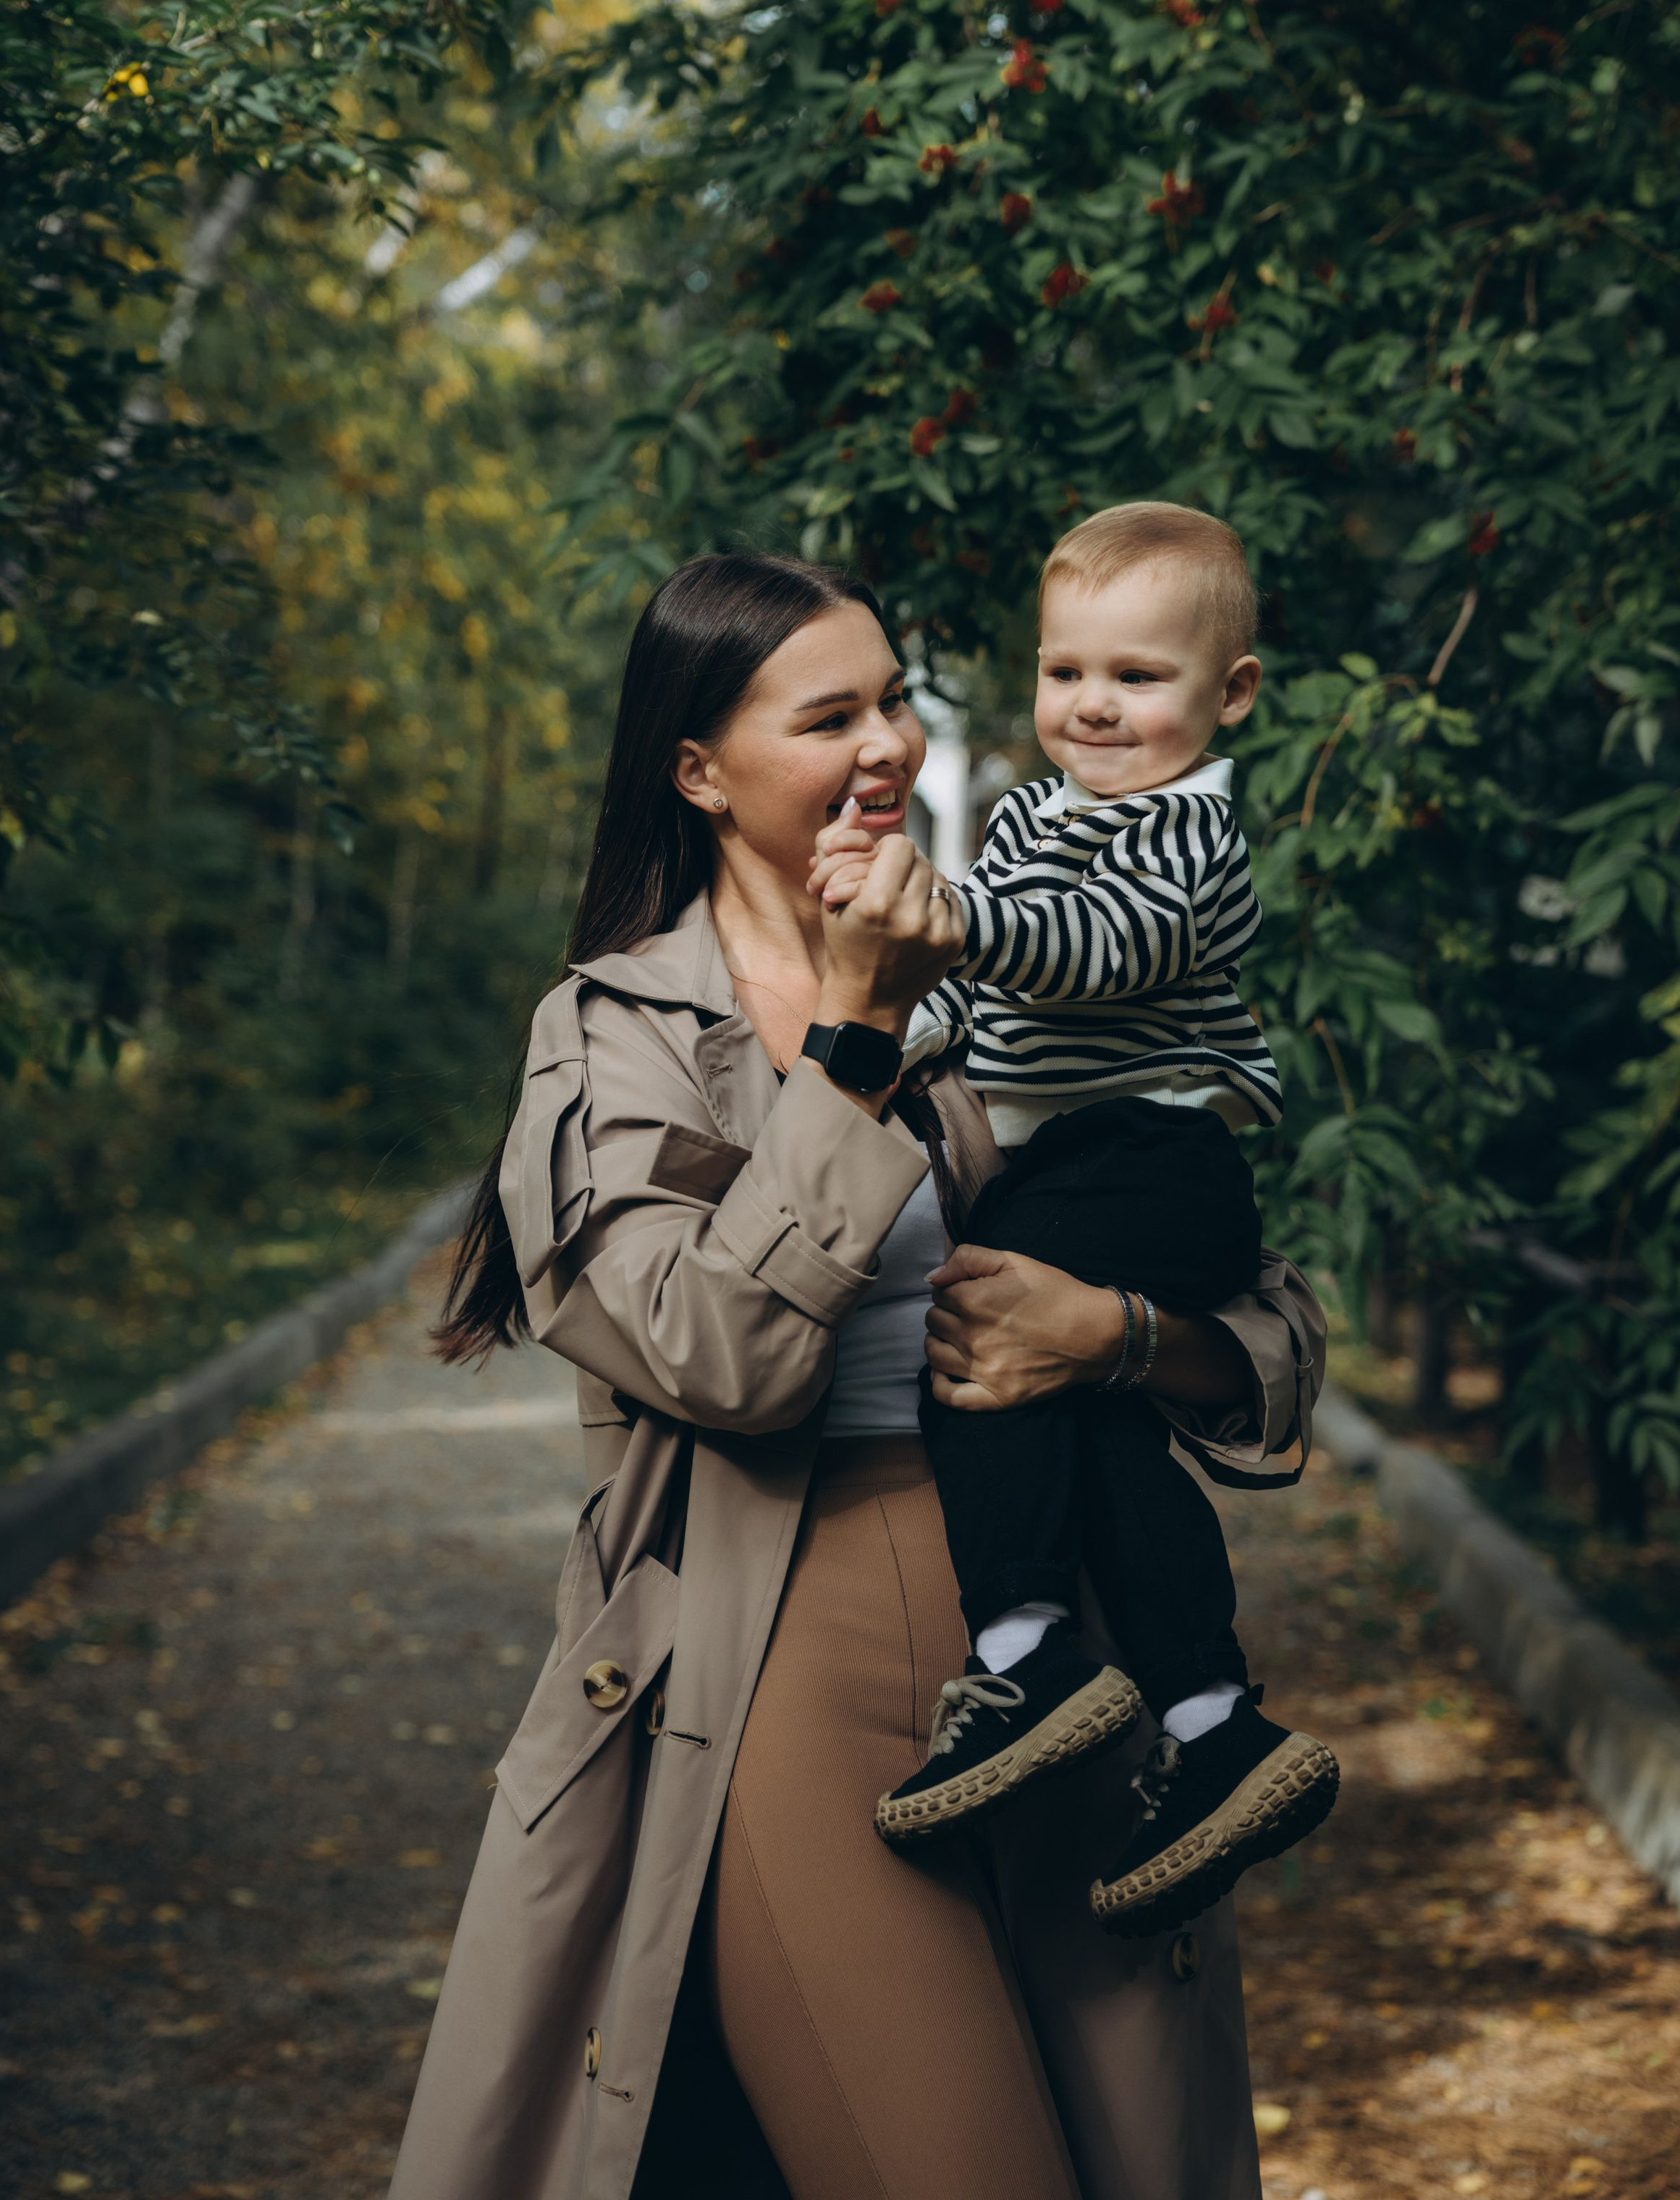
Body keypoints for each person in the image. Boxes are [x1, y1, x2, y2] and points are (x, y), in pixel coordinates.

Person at [386, 548, 1327, 2200]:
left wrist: (1105, 1334)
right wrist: (854, 1036)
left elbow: (1268, 1339)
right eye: (830, 717)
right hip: (784, 1672)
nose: (888, 745)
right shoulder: (612, 1037)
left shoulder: (1012, 967)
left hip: (1064, 1671)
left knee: (1141, 2163)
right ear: (699, 770)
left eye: (895, 697)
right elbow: (719, 1358)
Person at [811, 504, 1338, 1935]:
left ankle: (1025, 1649)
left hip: (1151, 1158)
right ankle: (1214, 1719)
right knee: (1094, 1422)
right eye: (1066, 673)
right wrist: (880, 1010)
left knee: (975, 1351)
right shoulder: (1040, 816)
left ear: (1227, 695)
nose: (1092, 707)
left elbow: (1097, 954)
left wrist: (953, 924)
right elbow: (979, 1001)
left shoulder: (1188, 826)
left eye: (1137, 677)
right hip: (1100, 1163)